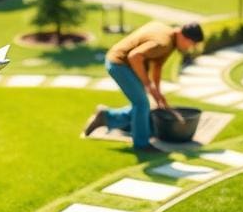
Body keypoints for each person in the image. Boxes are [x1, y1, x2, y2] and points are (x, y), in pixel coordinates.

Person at [83, 21, 204, 152]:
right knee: (142, 104)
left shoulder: (168, 35)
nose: (189, 48)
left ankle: (106, 117)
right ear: (183, 36)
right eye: (191, 44)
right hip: (119, 64)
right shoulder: (163, 43)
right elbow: (134, 56)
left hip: (126, 65)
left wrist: (157, 92)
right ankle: (141, 145)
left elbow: (157, 65)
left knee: (142, 105)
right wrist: (148, 84)